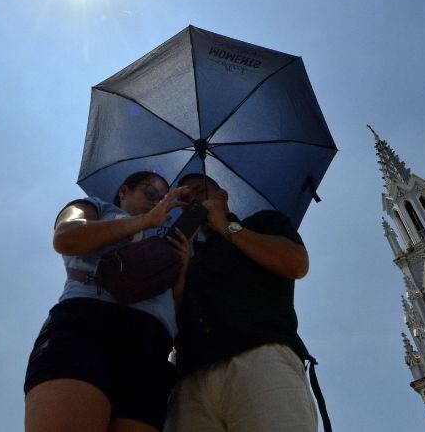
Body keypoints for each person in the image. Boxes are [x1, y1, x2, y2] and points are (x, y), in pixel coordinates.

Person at [25, 171, 192, 432]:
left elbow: (175, 311)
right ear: (124, 191)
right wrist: (144, 221)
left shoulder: (165, 245)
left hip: (151, 345)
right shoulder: (95, 207)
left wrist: (180, 270)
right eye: (151, 193)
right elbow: (66, 237)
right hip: (89, 324)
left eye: (162, 199)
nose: (157, 202)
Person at [164, 174, 320, 432]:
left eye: (198, 192)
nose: (192, 201)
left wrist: (226, 227)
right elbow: (173, 320)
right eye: (185, 199)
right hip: (190, 379)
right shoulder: (188, 258)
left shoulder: (263, 222)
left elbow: (296, 263)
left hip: (261, 357)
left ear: (222, 197)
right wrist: (179, 272)